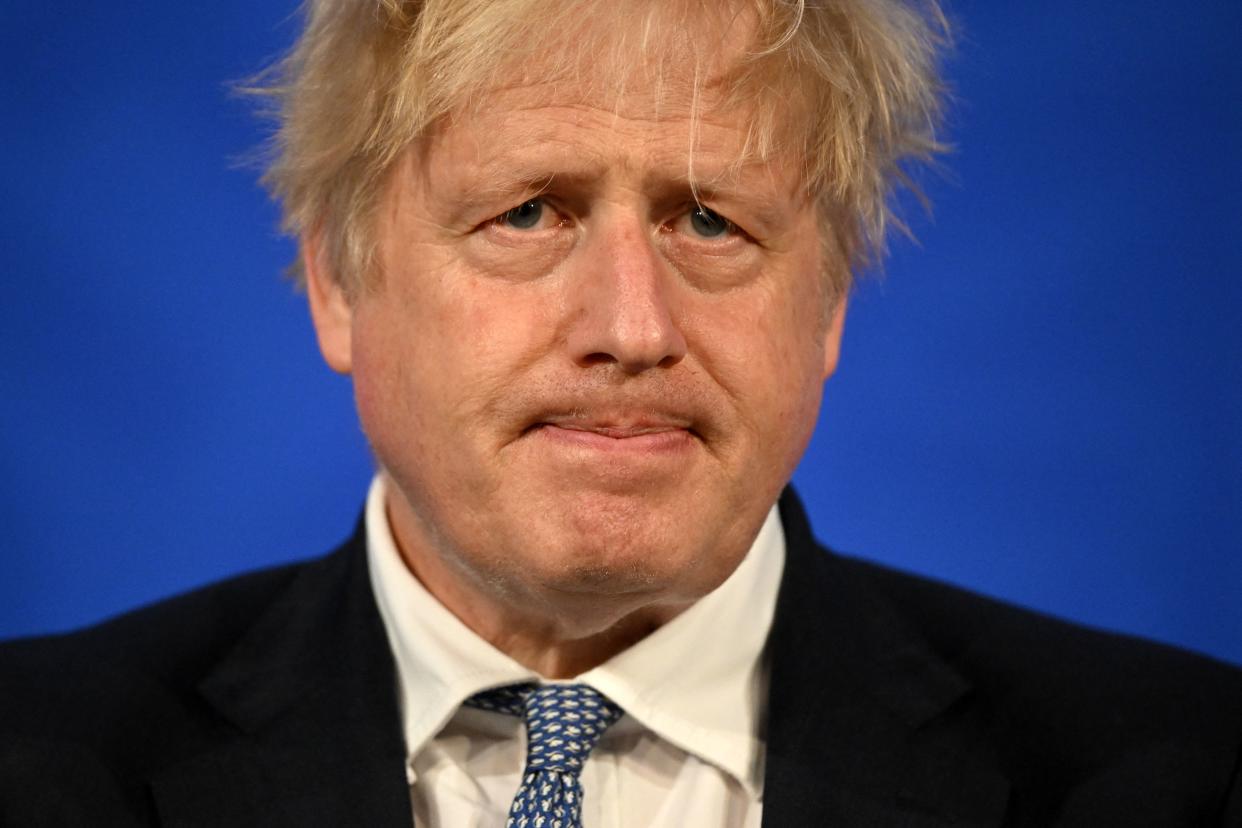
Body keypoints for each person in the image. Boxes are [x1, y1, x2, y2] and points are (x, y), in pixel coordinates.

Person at [2, 1, 1240, 825]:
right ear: (340, 277)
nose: (633, 327)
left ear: (829, 308)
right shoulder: (40, 765)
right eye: (528, 212)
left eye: (712, 220)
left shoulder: (1182, 775)